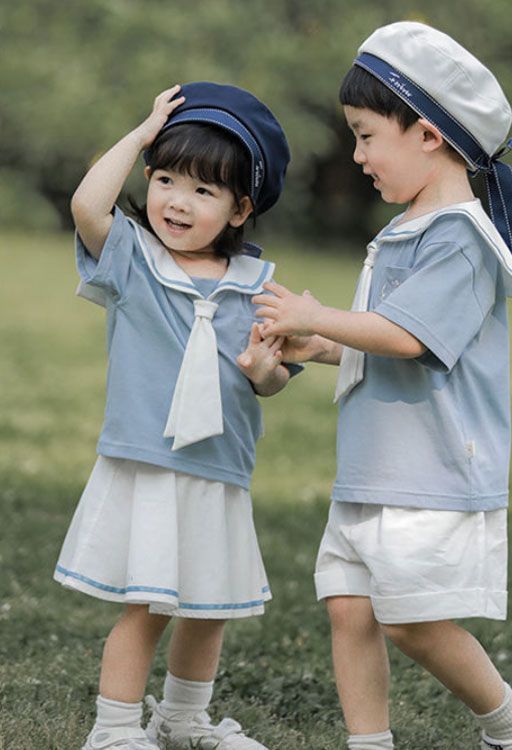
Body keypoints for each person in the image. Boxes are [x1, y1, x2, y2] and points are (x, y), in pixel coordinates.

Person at [253, 21, 512, 750]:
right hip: (374, 467)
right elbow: (388, 338)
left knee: (409, 617)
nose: (357, 155)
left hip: (429, 470)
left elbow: (412, 337)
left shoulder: (460, 236)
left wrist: (320, 312)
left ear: (427, 134)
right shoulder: (410, 229)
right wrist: (324, 342)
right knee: (349, 608)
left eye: (365, 136)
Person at [54, 82, 294, 750]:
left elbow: (275, 379)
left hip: (219, 469)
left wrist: (264, 372)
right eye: (165, 179)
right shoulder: (132, 260)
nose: (176, 201)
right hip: (151, 463)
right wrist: (140, 134)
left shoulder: (259, 289)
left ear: (241, 207)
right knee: (149, 606)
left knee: (208, 609)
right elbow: (85, 204)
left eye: (203, 191)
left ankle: (184, 719)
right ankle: (114, 729)